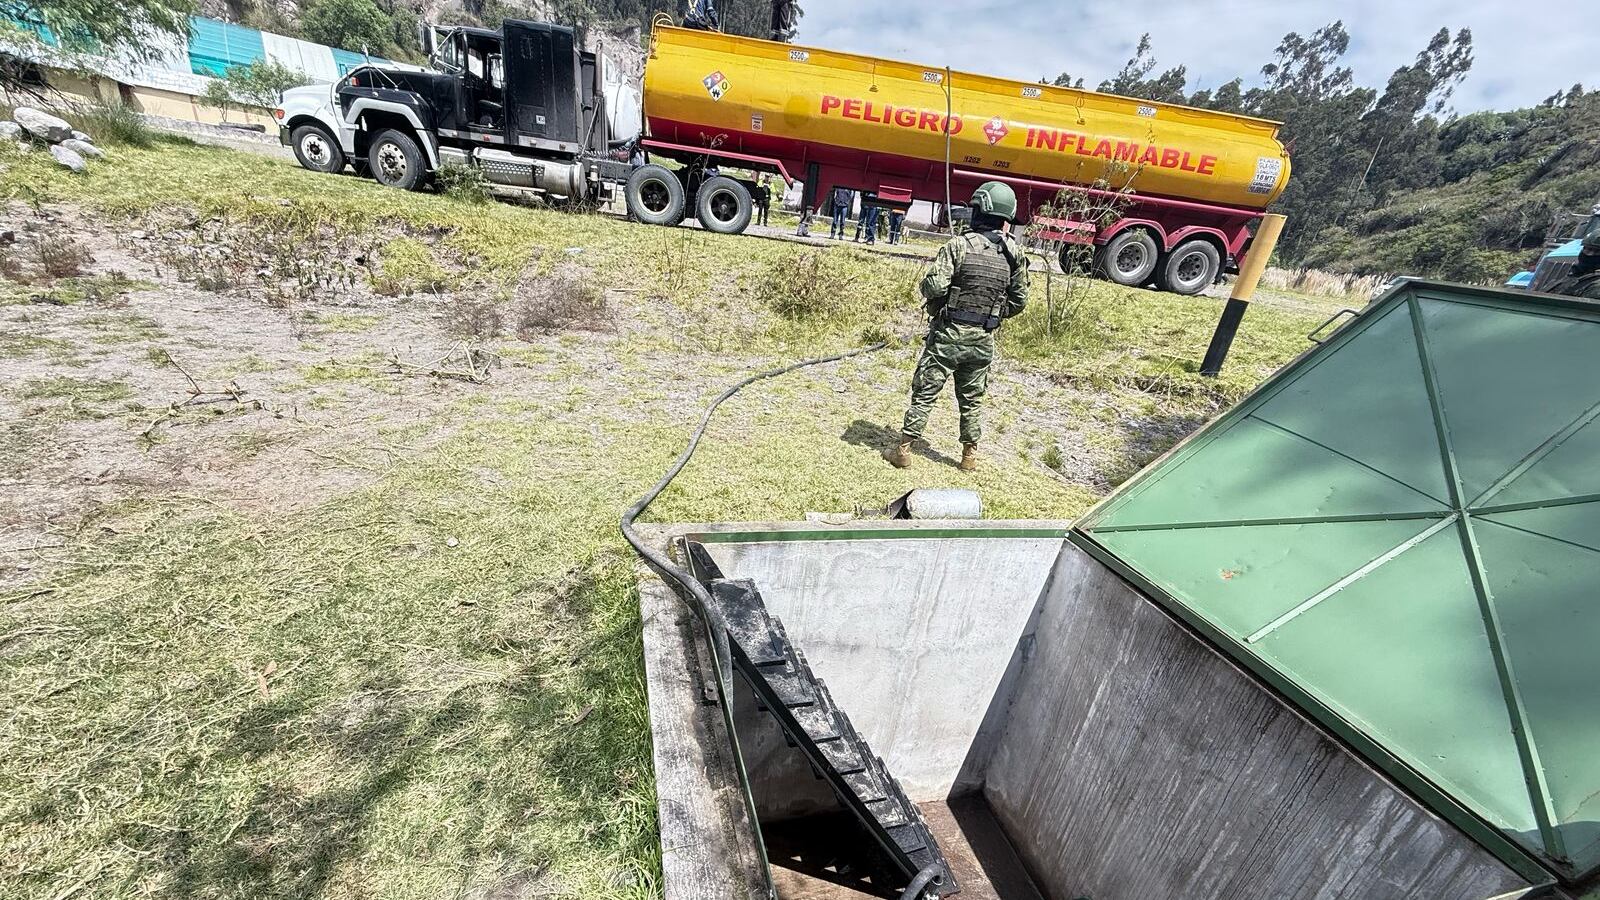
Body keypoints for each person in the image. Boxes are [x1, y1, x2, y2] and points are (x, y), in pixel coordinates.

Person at [882, 182, 1028, 472]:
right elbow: (1020, 300)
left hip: (948, 335)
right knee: (972, 399)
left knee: (925, 392)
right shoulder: (1013, 254)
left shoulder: (959, 246)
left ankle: (902, 451)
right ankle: (968, 457)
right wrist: (992, 314)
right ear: (1004, 217)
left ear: (978, 212)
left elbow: (934, 286)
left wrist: (934, 292)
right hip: (982, 339)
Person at [1551, 232, 1600, 300]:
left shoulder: (1596, 285)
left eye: (1598, 251)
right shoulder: (1575, 275)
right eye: (1587, 249)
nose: (1590, 254)